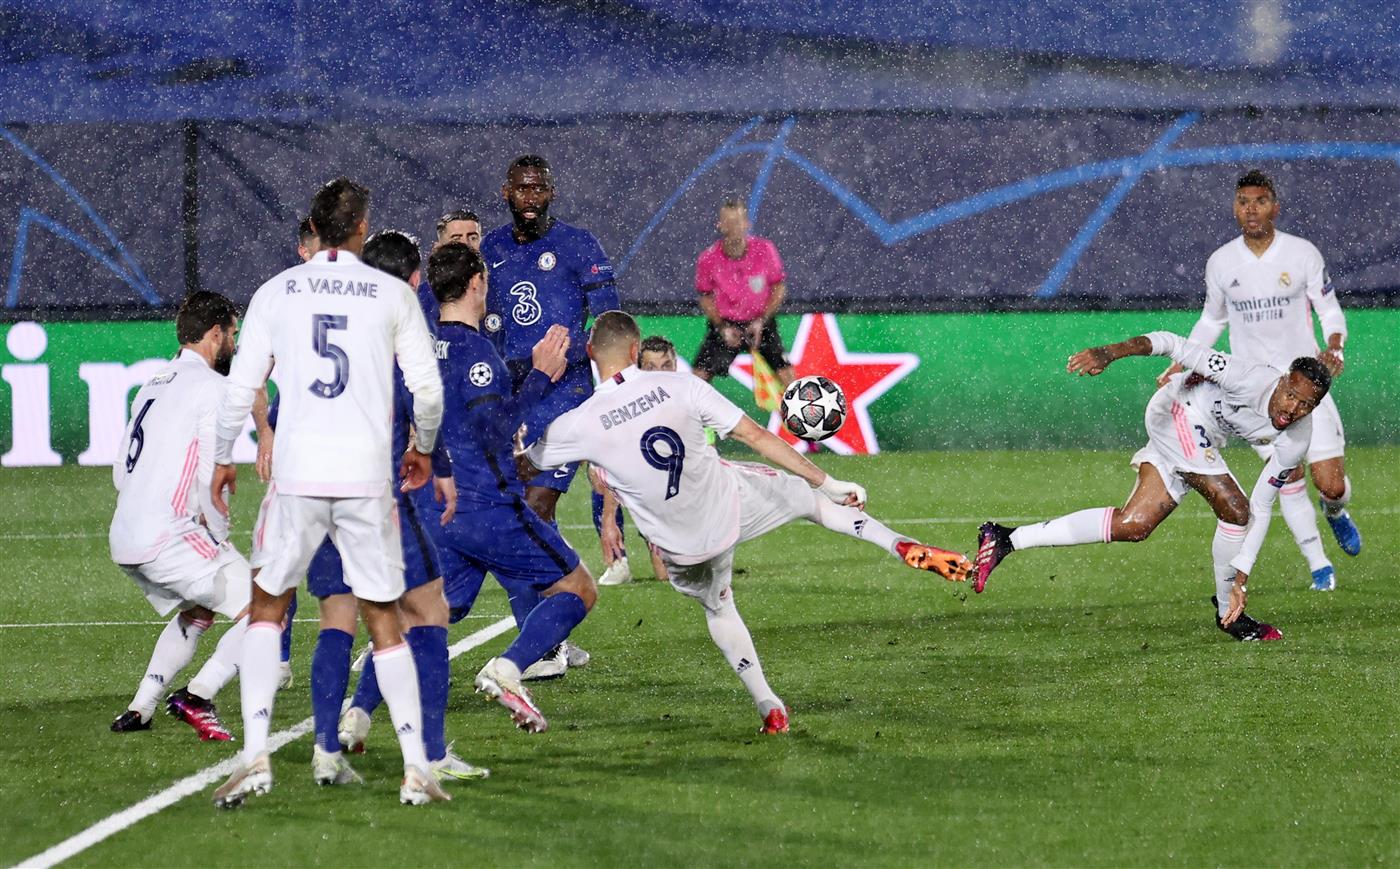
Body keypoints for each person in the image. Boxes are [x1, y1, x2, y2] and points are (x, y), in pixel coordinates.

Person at [521, 311, 971, 734]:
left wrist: (519, 412)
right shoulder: (681, 388)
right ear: (637, 348)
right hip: (727, 504)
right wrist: (829, 480)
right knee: (811, 500)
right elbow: (754, 436)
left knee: (719, 608)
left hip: (681, 547)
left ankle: (768, 704)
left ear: (589, 352)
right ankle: (895, 544)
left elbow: (522, 467)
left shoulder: (577, 423)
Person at [209, 176, 448, 808]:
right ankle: (417, 768)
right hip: (367, 479)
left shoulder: (276, 292)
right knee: (384, 621)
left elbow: (240, 388)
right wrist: (421, 446)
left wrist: (220, 457)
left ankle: (255, 756)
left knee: (268, 609)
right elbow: (426, 390)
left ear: (313, 228)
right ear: (362, 229)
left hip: (297, 479)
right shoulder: (391, 293)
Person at [974, 331, 1334, 642]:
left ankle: (1006, 538)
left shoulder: (1297, 438)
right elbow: (1171, 343)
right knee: (1234, 511)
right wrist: (1110, 353)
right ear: (1284, 380)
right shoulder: (1248, 377)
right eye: (1291, 395)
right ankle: (1230, 616)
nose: (1293, 409)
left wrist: (1242, 574)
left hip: (1200, 437)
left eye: (1307, 405)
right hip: (1176, 411)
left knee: (1134, 525)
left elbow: (1264, 505)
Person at [323, 229, 486, 785]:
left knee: (340, 614)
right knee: (428, 612)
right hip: (382, 492)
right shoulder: (399, 327)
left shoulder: (333, 324)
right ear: (416, 280)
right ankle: (432, 756)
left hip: (319, 494)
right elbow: (426, 398)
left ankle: (340, 729)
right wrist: (434, 462)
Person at [1157, 170, 1360, 591]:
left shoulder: (1301, 254)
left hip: (1304, 390)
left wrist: (1335, 344)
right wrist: (1185, 362)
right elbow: (1212, 320)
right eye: (1243, 201)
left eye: (1261, 200)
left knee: (1331, 484)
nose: (1251, 209)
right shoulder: (1221, 262)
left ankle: (1336, 511)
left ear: (1275, 206)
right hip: (1256, 396)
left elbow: (1329, 310)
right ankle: (1318, 563)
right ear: (1235, 208)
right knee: (1285, 477)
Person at [428, 241, 597, 734]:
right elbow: (499, 430)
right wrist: (542, 377)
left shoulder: (422, 349)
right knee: (579, 587)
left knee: (437, 613)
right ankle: (510, 666)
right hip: (489, 507)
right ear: (477, 283)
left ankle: (355, 712)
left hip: (443, 508)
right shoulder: (477, 350)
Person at [480, 154, 621, 656]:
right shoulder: (489, 248)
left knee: (535, 503)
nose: (531, 199)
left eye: (539, 189)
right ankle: (546, 632)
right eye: (522, 189)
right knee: (521, 508)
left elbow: (609, 321)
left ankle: (540, 643)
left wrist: (604, 379)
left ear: (552, 192)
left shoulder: (579, 244)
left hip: (566, 393)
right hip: (511, 392)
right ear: (506, 193)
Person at [108, 291, 251, 742]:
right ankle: (199, 696)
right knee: (269, 608)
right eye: (232, 334)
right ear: (215, 336)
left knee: (199, 608)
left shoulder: (153, 383)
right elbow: (212, 476)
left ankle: (141, 706)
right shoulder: (212, 389)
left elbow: (119, 472)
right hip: (167, 535)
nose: (234, 344)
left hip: (125, 534)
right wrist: (219, 534)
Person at [691, 197, 795, 389]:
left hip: (761, 322)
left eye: (738, 222)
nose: (734, 228)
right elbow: (705, 297)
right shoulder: (708, 258)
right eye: (728, 223)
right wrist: (722, 328)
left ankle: (803, 415)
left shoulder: (765, 249)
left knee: (788, 377)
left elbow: (778, 288)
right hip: (726, 324)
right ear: (720, 225)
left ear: (747, 223)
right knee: (696, 379)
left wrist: (761, 321)